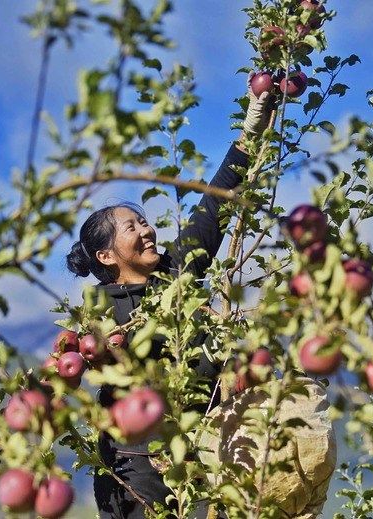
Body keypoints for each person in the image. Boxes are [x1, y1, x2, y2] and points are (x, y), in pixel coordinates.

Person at [65, 77, 275, 519]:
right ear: (106, 254)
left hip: (205, 450)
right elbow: (100, 364)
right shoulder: (100, 308)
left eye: (144, 222)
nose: (147, 230)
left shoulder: (178, 267)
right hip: (136, 464)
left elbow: (219, 201)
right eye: (131, 227)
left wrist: (253, 124)